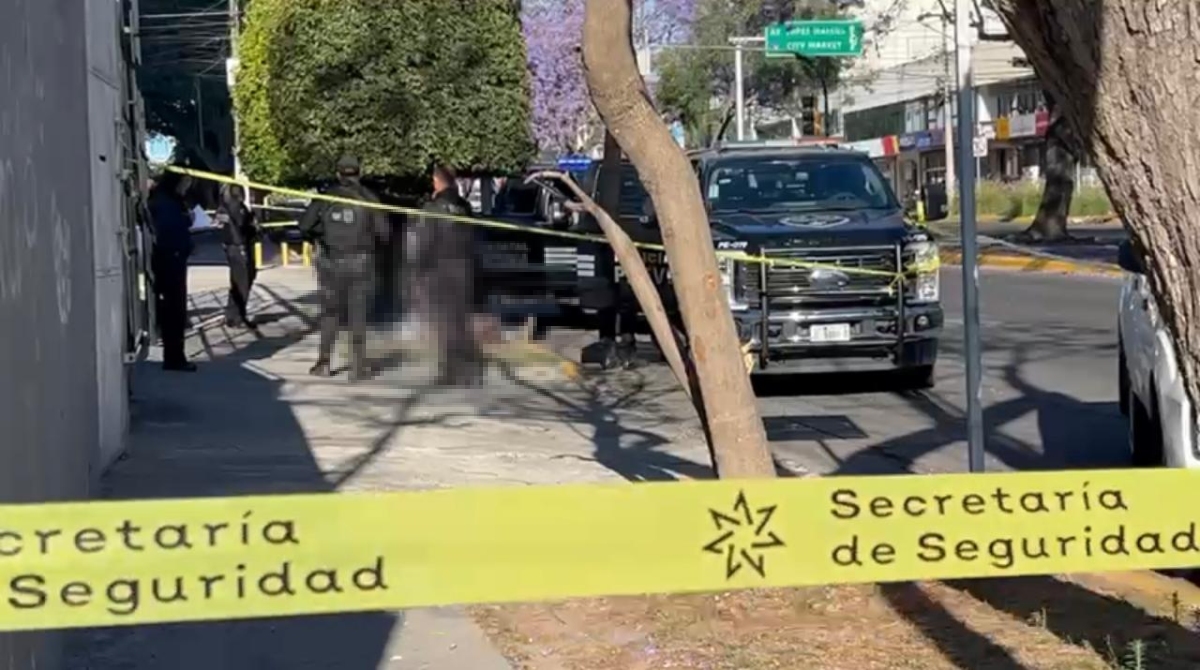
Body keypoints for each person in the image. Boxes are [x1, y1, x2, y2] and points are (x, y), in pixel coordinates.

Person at [299, 155, 389, 382]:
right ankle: (358, 367)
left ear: (338, 173)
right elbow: (384, 233)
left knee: (330, 314)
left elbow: (304, 226)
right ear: (359, 172)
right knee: (358, 314)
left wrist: (322, 236)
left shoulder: (325, 197)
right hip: (361, 263)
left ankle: (323, 363)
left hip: (331, 263)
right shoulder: (369, 199)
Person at [416, 164, 481, 385]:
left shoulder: (432, 208)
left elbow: (423, 243)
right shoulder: (465, 207)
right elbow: (473, 239)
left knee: (445, 323)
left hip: (440, 271)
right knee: (461, 322)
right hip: (464, 269)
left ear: (437, 181)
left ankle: (450, 371)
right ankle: (467, 371)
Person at [148, 170, 197, 372]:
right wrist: (187, 220)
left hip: (172, 258)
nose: (187, 188)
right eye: (185, 183)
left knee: (174, 311)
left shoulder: (167, 199)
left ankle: (175, 356)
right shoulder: (166, 202)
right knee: (174, 310)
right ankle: (174, 358)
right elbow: (170, 229)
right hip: (171, 260)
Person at [215, 183, 262, 330]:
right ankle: (238, 317)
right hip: (239, 248)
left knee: (238, 282)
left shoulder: (225, 207)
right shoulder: (237, 207)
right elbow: (237, 229)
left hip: (232, 248)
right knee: (242, 282)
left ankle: (232, 315)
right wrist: (241, 246)